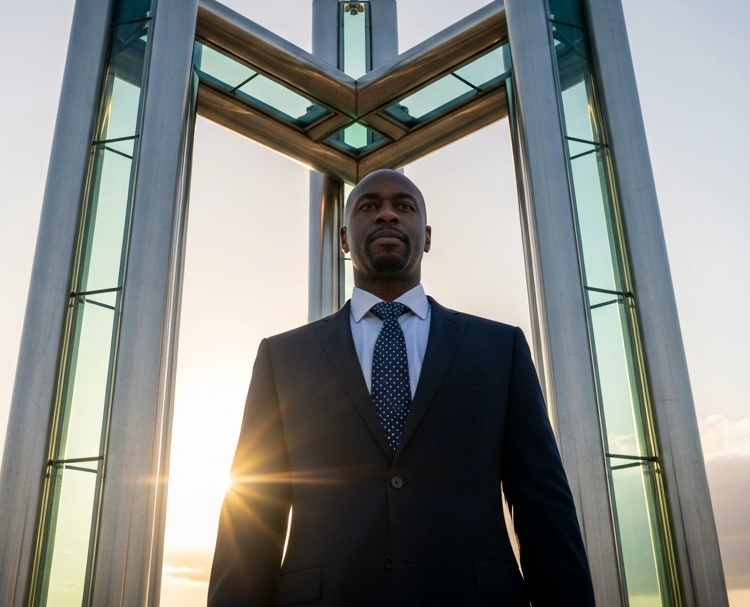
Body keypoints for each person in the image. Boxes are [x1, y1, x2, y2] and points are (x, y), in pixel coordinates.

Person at [208, 170, 594, 606]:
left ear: (426, 236)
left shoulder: (500, 348)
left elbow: (542, 504)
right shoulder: (284, 357)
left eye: (403, 206)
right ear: (343, 238)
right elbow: (251, 511)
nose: (387, 214)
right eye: (369, 206)